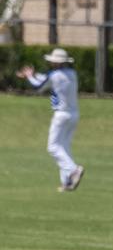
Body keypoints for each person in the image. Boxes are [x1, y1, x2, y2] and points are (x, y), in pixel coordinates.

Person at [16, 48, 84, 192]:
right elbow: (47, 78)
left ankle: (73, 171)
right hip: (74, 114)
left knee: (53, 147)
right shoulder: (72, 74)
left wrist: (29, 76)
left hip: (61, 115)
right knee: (64, 147)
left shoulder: (54, 75)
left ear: (56, 63)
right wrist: (33, 74)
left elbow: (38, 86)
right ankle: (67, 182)